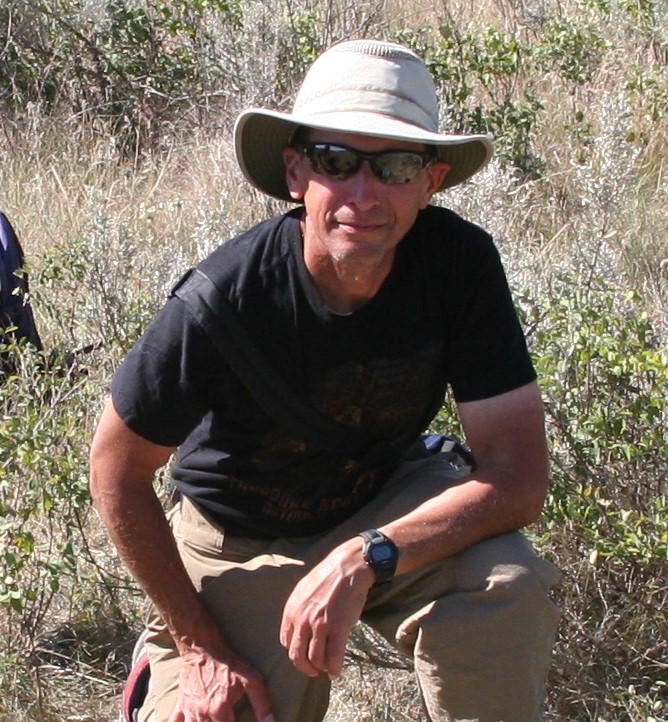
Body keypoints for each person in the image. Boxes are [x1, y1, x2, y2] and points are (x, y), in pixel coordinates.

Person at [89, 39, 561, 722]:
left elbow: (518, 473)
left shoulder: (458, 265)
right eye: (336, 162)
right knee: (232, 706)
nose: (363, 196)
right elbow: (115, 468)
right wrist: (199, 645)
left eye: (395, 166)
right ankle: (161, 666)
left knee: (505, 586)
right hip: (238, 534)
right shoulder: (225, 298)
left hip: (380, 502)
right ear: (295, 174)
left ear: (430, 182)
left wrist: (369, 555)